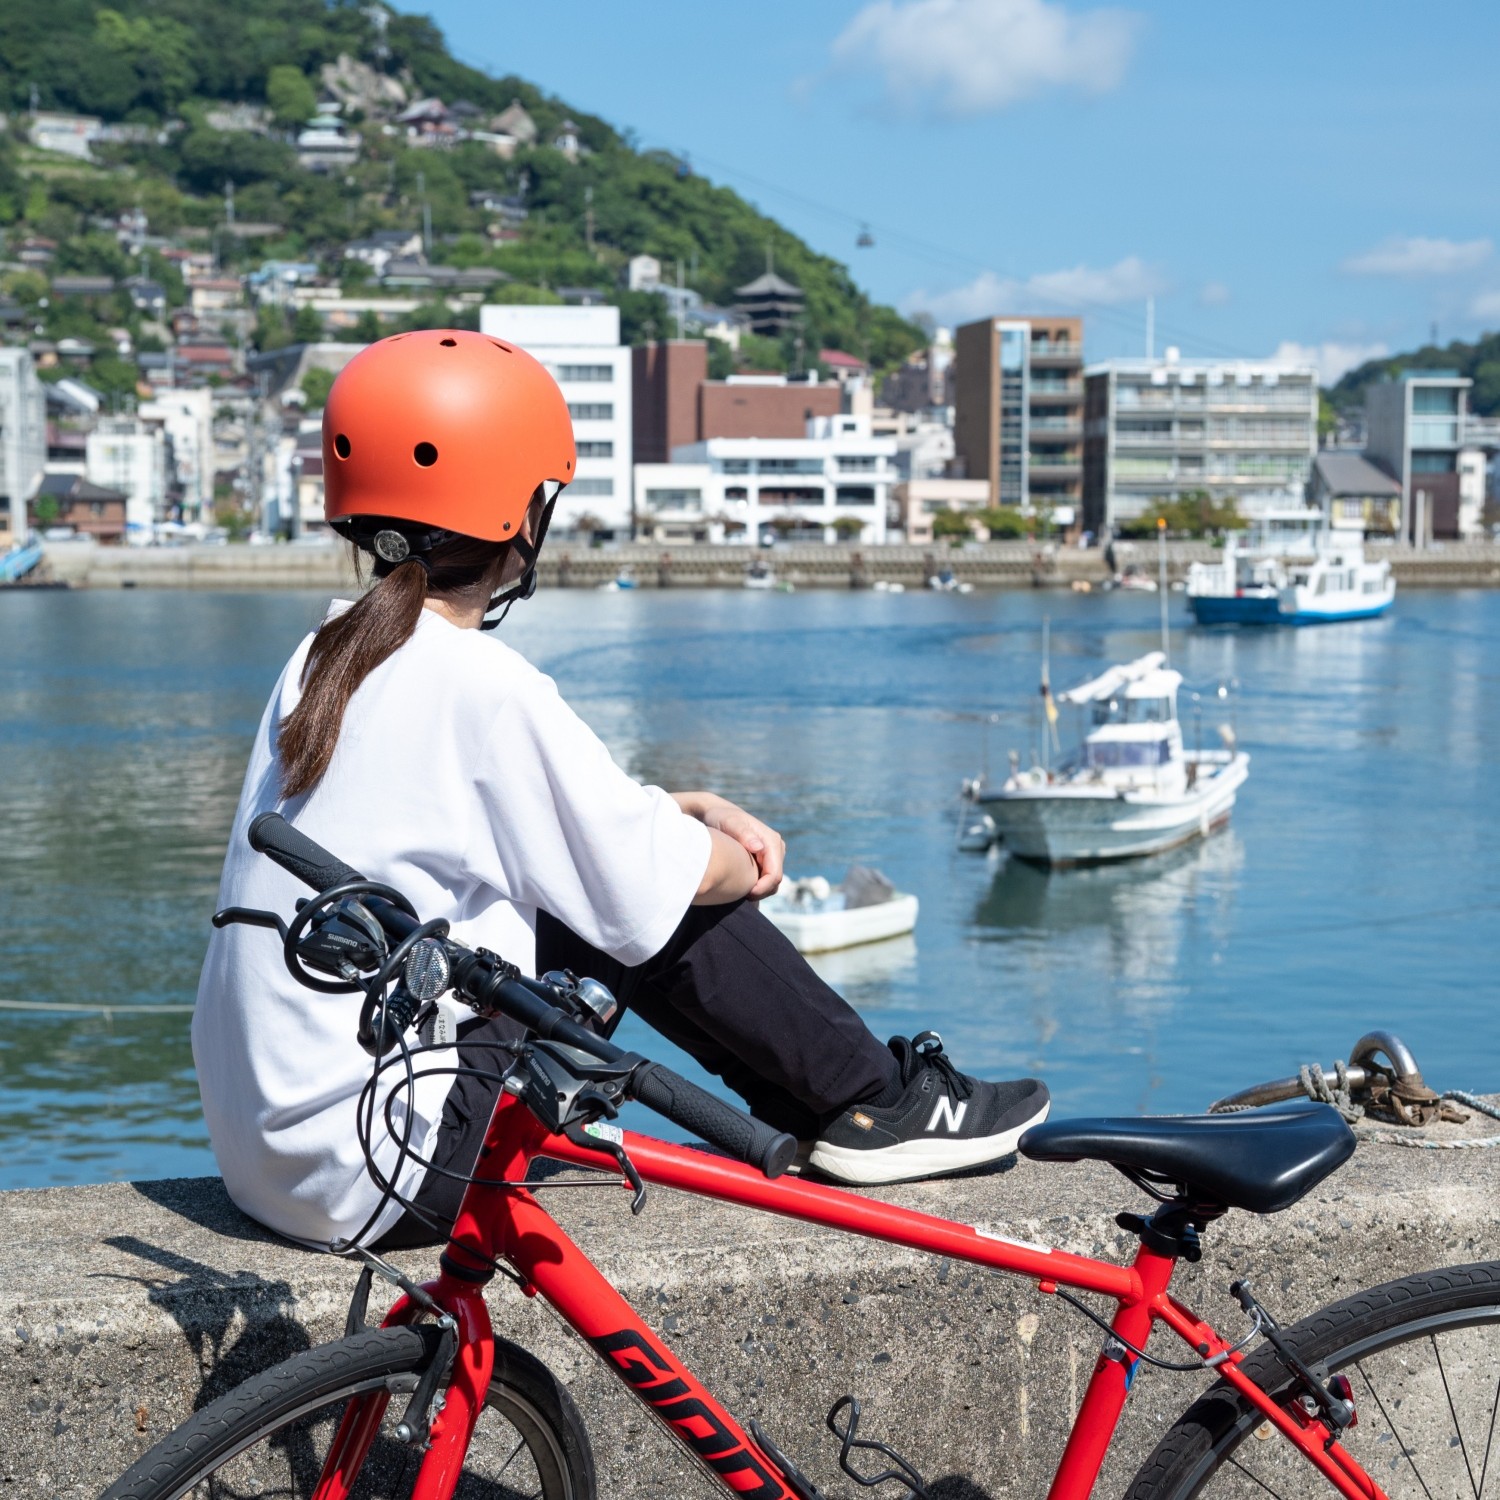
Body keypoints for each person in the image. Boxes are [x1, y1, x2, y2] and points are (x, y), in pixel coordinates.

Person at [193, 330, 1049, 1250]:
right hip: (389, 1165)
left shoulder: (327, 655)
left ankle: (850, 1108)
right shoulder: (481, 682)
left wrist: (668, 810)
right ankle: (876, 1105)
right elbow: (652, 886)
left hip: (275, 1155)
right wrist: (732, 855)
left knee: (608, 873)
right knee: (648, 898)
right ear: (522, 515)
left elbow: (474, 819)